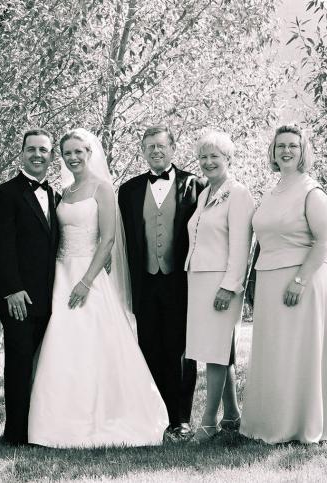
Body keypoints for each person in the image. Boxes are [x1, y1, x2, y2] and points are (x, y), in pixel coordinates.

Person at [28, 129, 169, 448]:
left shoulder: (103, 189)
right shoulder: (63, 192)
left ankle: (104, 418)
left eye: (79, 151)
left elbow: (107, 240)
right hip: (61, 274)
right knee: (61, 344)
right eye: (67, 153)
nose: (73, 158)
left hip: (88, 277)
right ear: (61, 158)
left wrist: (86, 281)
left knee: (93, 343)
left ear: (90, 153)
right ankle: (54, 422)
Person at [239, 125, 327, 444]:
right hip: (269, 279)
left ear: (303, 151)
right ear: (273, 151)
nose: (286, 151)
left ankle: (300, 424)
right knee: (274, 352)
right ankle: (269, 423)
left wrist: (300, 280)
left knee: (298, 353)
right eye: (280, 145)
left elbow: (324, 241)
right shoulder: (272, 191)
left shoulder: (313, 192)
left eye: (293, 146)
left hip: (301, 282)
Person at [118, 125, 204, 439]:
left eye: (161, 146)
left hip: (181, 281)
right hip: (144, 282)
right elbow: (123, 241)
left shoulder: (195, 185)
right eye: (150, 147)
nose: (156, 151)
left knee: (180, 351)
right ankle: (155, 416)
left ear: (173, 148)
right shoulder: (127, 191)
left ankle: (181, 419)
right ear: (143, 151)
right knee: (150, 348)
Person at [0, 129, 60, 446]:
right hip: (19, 297)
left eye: (43, 150)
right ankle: (15, 432)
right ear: (21, 154)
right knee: (18, 364)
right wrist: (11, 289)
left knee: (45, 366)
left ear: (50, 156)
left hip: (51, 297)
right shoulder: (5, 194)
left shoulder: (56, 195)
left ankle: (42, 428)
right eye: (31, 149)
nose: (37, 155)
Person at [182, 130, 254, 442]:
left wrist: (229, 285)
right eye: (204, 157)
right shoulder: (204, 193)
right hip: (197, 279)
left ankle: (208, 421)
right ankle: (233, 415)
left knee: (214, 351)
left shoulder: (238, 194)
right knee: (217, 349)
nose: (208, 162)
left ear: (228, 159)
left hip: (220, 282)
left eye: (215, 156)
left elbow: (241, 246)